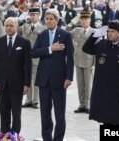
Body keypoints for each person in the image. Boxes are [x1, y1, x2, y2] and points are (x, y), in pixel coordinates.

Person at [82, 22, 119, 125]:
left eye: (112, 31)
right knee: (106, 121)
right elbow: (86, 49)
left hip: (118, 92)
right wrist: (94, 36)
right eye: (108, 31)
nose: (109, 34)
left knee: (117, 120)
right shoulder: (102, 44)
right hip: (103, 91)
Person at [32, 9, 74, 141]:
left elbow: (70, 58)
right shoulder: (42, 34)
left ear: (57, 20)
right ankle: (47, 138)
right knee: (45, 113)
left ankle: (58, 139)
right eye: (47, 18)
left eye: (51, 19)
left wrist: (69, 77)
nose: (48, 21)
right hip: (44, 80)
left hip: (59, 80)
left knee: (59, 114)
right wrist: (50, 49)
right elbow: (34, 53)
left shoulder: (65, 35)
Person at [0, 17, 32, 134]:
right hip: (2, 83)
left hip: (18, 84)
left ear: (16, 26)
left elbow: (28, 65)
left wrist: (27, 84)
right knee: (4, 112)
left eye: (11, 26)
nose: (8, 28)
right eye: (6, 26)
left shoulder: (24, 42)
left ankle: (14, 136)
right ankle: (4, 135)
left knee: (16, 113)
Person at [20, 7, 46, 109]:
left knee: (36, 80)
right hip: (26, 57)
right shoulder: (25, 26)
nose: (32, 16)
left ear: (39, 15)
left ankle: (35, 101)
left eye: (34, 15)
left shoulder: (43, 28)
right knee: (27, 79)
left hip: (37, 58)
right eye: (31, 15)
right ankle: (28, 100)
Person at [70, 11, 95, 114]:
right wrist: (72, 22)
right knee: (80, 84)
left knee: (88, 84)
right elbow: (65, 33)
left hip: (89, 62)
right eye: (82, 19)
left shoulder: (94, 32)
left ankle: (88, 105)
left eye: (86, 19)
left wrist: (95, 64)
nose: (84, 21)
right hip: (78, 61)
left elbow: (98, 49)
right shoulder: (76, 30)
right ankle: (82, 105)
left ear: (90, 20)